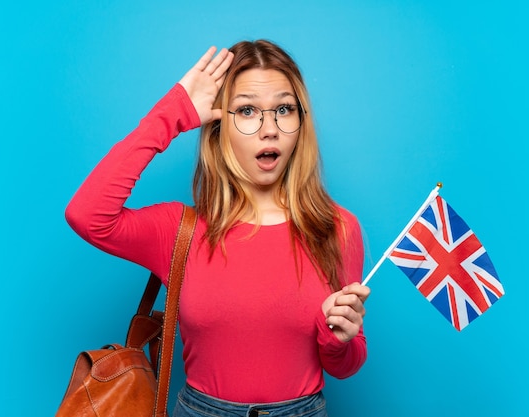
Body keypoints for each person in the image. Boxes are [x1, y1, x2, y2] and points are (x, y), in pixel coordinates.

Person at [65, 39, 371, 417]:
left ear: (300, 121)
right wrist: (173, 112)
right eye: (246, 110)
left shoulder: (337, 228)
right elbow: (87, 214)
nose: (269, 129)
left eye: (284, 109)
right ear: (219, 125)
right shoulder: (179, 231)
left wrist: (339, 340)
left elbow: (346, 363)